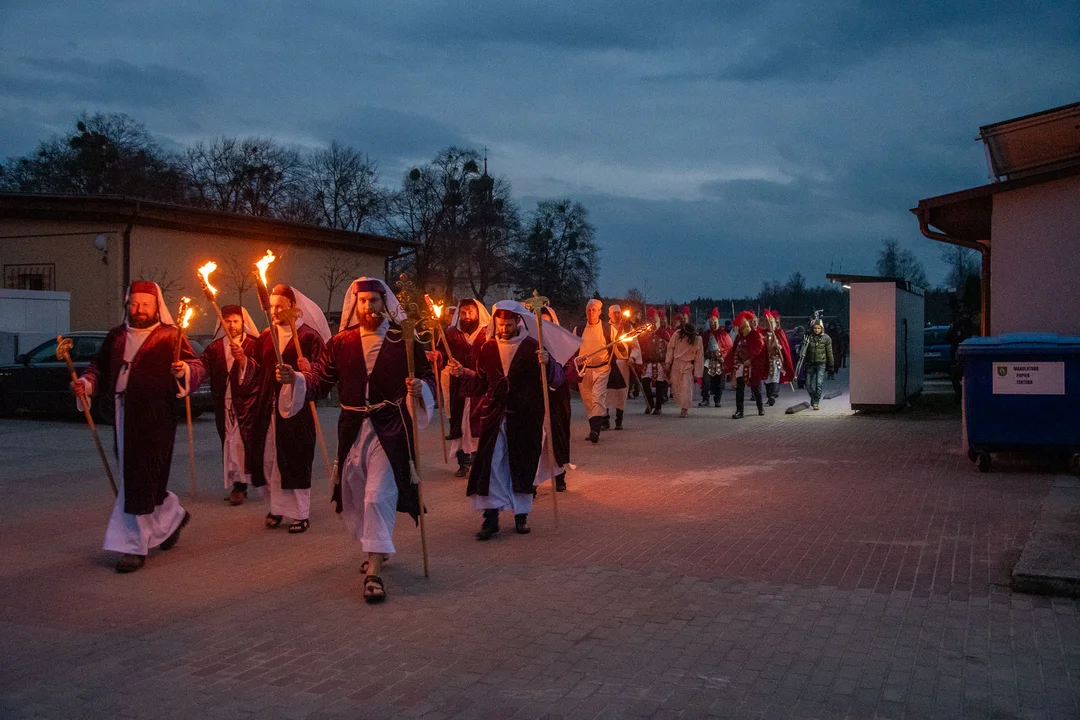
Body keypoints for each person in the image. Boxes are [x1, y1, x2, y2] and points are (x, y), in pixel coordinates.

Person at [280, 277, 434, 603]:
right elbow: (320, 381)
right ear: (355, 304)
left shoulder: (402, 339)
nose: (368, 307)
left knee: (377, 495)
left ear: (383, 302)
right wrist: (294, 378)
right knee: (358, 494)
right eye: (362, 302)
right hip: (352, 429)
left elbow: (426, 375)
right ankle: (376, 547)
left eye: (374, 301)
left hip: (391, 427)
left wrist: (421, 388)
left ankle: (374, 571)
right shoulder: (341, 342)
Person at [72, 281, 204, 573]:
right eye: (133, 304)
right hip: (122, 413)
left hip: (156, 417)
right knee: (140, 478)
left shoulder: (170, 336)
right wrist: (86, 383)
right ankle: (171, 516)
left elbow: (196, 365)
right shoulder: (116, 336)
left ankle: (133, 546)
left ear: (157, 306)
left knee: (141, 477)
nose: (138, 310)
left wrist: (184, 370)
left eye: (145, 304)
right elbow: (99, 368)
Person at [450, 301, 575, 540]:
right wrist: (464, 374)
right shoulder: (487, 348)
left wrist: (547, 364)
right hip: (494, 417)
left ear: (518, 322)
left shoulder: (533, 347)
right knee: (491, 465)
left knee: (523, 465)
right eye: (500, 325)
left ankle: (521, 515)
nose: (504, 329)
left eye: (508, 324)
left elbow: (556, 380)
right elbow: (482, 382)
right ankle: (491, 518)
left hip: (526, 417)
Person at [238, 284, 330, 534]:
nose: (275, 310)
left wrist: (307, 370)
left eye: (280, 306)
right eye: (272, 306)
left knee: (295, 459)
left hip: (296, 410)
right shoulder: (267, 335)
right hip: (268, 408)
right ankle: (277, 507)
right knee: (270, 459)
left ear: (292, 307)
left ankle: (300, 513)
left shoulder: (308, 337)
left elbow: (323, 375)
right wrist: (244, 361)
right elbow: (257, 368)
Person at [201, 305, 260, 505]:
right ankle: (237, 480)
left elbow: (260, 370)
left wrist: (243, 360)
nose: (232, 325)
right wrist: (184, 371)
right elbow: (202, 369)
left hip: (245, 403)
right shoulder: (215, 347)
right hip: (222, 402)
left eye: (236, 321)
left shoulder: (253, 345)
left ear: (243, 322)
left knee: (239, 442)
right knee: (228, 442)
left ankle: (241, 485)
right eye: (228, 321)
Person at [429, 298, 490, 477]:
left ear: (478, 313)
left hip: (481, 384)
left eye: (470, 312)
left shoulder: (487, 333)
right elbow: (442, 353)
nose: (467, 316)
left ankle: (480, 459)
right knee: (460, 423)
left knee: (479, 422)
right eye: (463, 313)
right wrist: (436, 356)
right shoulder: (451, 333)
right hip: (458, 385)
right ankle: (463, 462)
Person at [573, 299, 625, 443]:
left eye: (594, 310)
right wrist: (576, 360)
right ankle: (593, 428)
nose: (591, 312)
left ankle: (596, 430)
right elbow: (573, 349)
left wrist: (622, 347)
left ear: (600, 312)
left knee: (598, 396)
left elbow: (620, 350)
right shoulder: (579, 329)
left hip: (602, 369)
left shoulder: (608, 329)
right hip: (584, 370)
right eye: (589, 310)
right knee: (588, 400)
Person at [541, 306, 573, 492]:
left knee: (556, 435)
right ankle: (533, 481)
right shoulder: (530, 343)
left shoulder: (563, 343)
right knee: (537, 439)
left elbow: (568, 369)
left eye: (547, 322)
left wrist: (552, 367)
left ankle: (559, 474)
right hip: (535, 396)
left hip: (557, 396)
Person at [724, 311, 767, 419]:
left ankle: (760, 407)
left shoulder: (755, 335)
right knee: (740, 389)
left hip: (753, 366)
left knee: (756, 388)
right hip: (740, 366)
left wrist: (750, 359)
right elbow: (734, 350)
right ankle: (739, 411)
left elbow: (758, 349)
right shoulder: (739, 337)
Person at [664, 316, 704, 418]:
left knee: (686, 386)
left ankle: (684, 408)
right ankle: (681, 404)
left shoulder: (697, 339)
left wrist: (697, 373)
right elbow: (670, 348)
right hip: (677, 363)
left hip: (688, 364)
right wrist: (668, 362)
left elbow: (699, 356)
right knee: (676, 387)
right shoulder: (677, 334)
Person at [604, 304, 635, 430]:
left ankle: (619, 419)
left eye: (618, 313)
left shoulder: (627, 327)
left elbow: (635, 345)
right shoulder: (604, 327)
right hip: (608, 363)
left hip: (622, 362)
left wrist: (632, 357)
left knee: (621, 391)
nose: (617, 315)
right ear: (609, 314)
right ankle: (605, 419)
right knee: (605, 391)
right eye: (614, 313)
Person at [638, 308, 671, 415]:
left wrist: (668, 362)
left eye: (655, 321)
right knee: (645, 383)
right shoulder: (644, 334)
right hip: (647, 363)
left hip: (660, 363)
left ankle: (658, 406)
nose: (653, 323)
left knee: (659, 385)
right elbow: (640, 347)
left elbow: (669, 349)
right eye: (651, 320)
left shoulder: (664, 333)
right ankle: (650, 404)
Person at [699, 308, 732, 407]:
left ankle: (717, 400)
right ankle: (705, 399)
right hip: (708, 360)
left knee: (719, 381)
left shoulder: (722, 333)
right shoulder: (706, 334)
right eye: (710, 322)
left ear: (717, 322)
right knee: (705, 380)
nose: (712, 324)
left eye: (714, 322)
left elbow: (729, 347)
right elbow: (701, 347)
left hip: (719, 361)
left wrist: (723, 355)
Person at [761, 309, 795, 406]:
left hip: (776, 359)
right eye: (768, 323)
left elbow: (784, 346)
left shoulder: (779, 333)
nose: (770, 325)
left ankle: (773, 395)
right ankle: (769, 396)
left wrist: (780, 346)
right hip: (766, 360)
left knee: (775, 378)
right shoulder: (762, 334)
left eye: (771, 323)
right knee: (767, 379)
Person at [802, 318, 834, 410]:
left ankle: (816, 402)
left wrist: (831, 365)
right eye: (815, 328)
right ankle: (814, 397)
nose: (816, 330)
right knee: (807, 384)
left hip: (821, 364)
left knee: (819, 383)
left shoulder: (826, 338)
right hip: (810, 363)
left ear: (822, 328)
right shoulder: (809, 337)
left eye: (818, 328)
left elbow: (829, 352)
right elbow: (803, 349)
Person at [945, 310, 975, 402]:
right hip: (959, 352)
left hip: (962, 352)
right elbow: (948, 337)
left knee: (957, 375)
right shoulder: (959, 325)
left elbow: (950, 337)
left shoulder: (967, 325)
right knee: (956, 375)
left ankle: (960, 394)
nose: (964, 317)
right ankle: (960, 394)